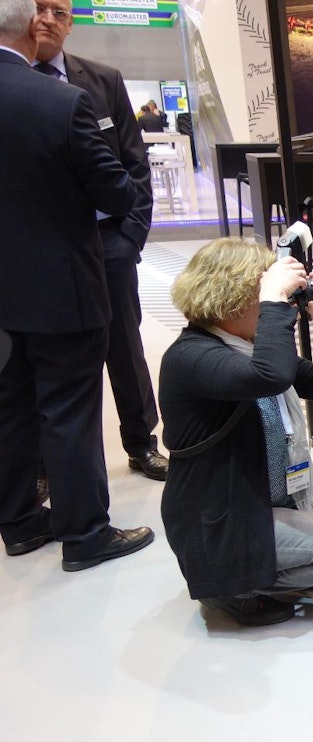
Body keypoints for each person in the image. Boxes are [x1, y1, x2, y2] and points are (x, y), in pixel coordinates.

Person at [0, 0, 155, 570]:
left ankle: (19, 522)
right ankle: (85, 535)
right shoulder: (61, 102)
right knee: (69, 408)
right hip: (64, 281)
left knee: (11, 406)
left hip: (7, 290)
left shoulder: (94, 83)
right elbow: (116, 189)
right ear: (27, 25)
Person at [160, 239, 313, 626]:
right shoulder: (191, 358)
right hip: (222, 516)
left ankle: (260, 561)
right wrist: (274, 300)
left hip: (260, 490)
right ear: (234, 299)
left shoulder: (245, 346)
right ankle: (230, 584)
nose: (284, 304)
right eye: (264, 296)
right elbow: (270, 376)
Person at [33, 0, 168, 480]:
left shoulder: (102, 80)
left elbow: (135, 163)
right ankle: (43, 464)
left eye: (60, 11)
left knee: (125, 347)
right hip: (41, 249)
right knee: (44, 353)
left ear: (71, 24)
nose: (49, 19)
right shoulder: (13, 82)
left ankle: (141, 442)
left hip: (109, 241)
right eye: (40, 8)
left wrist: (131, 237)